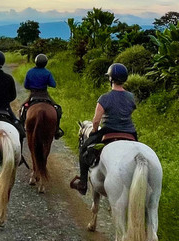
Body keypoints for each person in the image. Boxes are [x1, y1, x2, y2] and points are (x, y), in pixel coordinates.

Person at [70, 63, 137, 193]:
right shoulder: (131, 97)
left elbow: (96, 121)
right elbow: (129, 111)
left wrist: (94, 131)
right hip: (130, 132)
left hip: (109, 130)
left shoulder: (104, 98)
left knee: (83, 149)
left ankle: (83, 183)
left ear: (110, 78)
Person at [18, 53, 64, 139]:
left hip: (33, 94)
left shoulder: (30, 72)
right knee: (58, 109)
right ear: (45, 63)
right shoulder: (47, 72)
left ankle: (22, 128)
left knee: (22, 108)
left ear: (35, 62)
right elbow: (53, 84)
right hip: (45, 94)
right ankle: (57, 130)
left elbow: (26, 86)